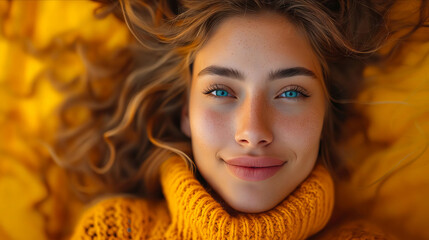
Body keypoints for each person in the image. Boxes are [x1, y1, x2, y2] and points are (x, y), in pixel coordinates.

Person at [58, 0, 428, 239]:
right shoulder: (115, 231)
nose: (253, 131)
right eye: (221, 91)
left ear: (324, 115)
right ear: (186, 112)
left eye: (290, 93)